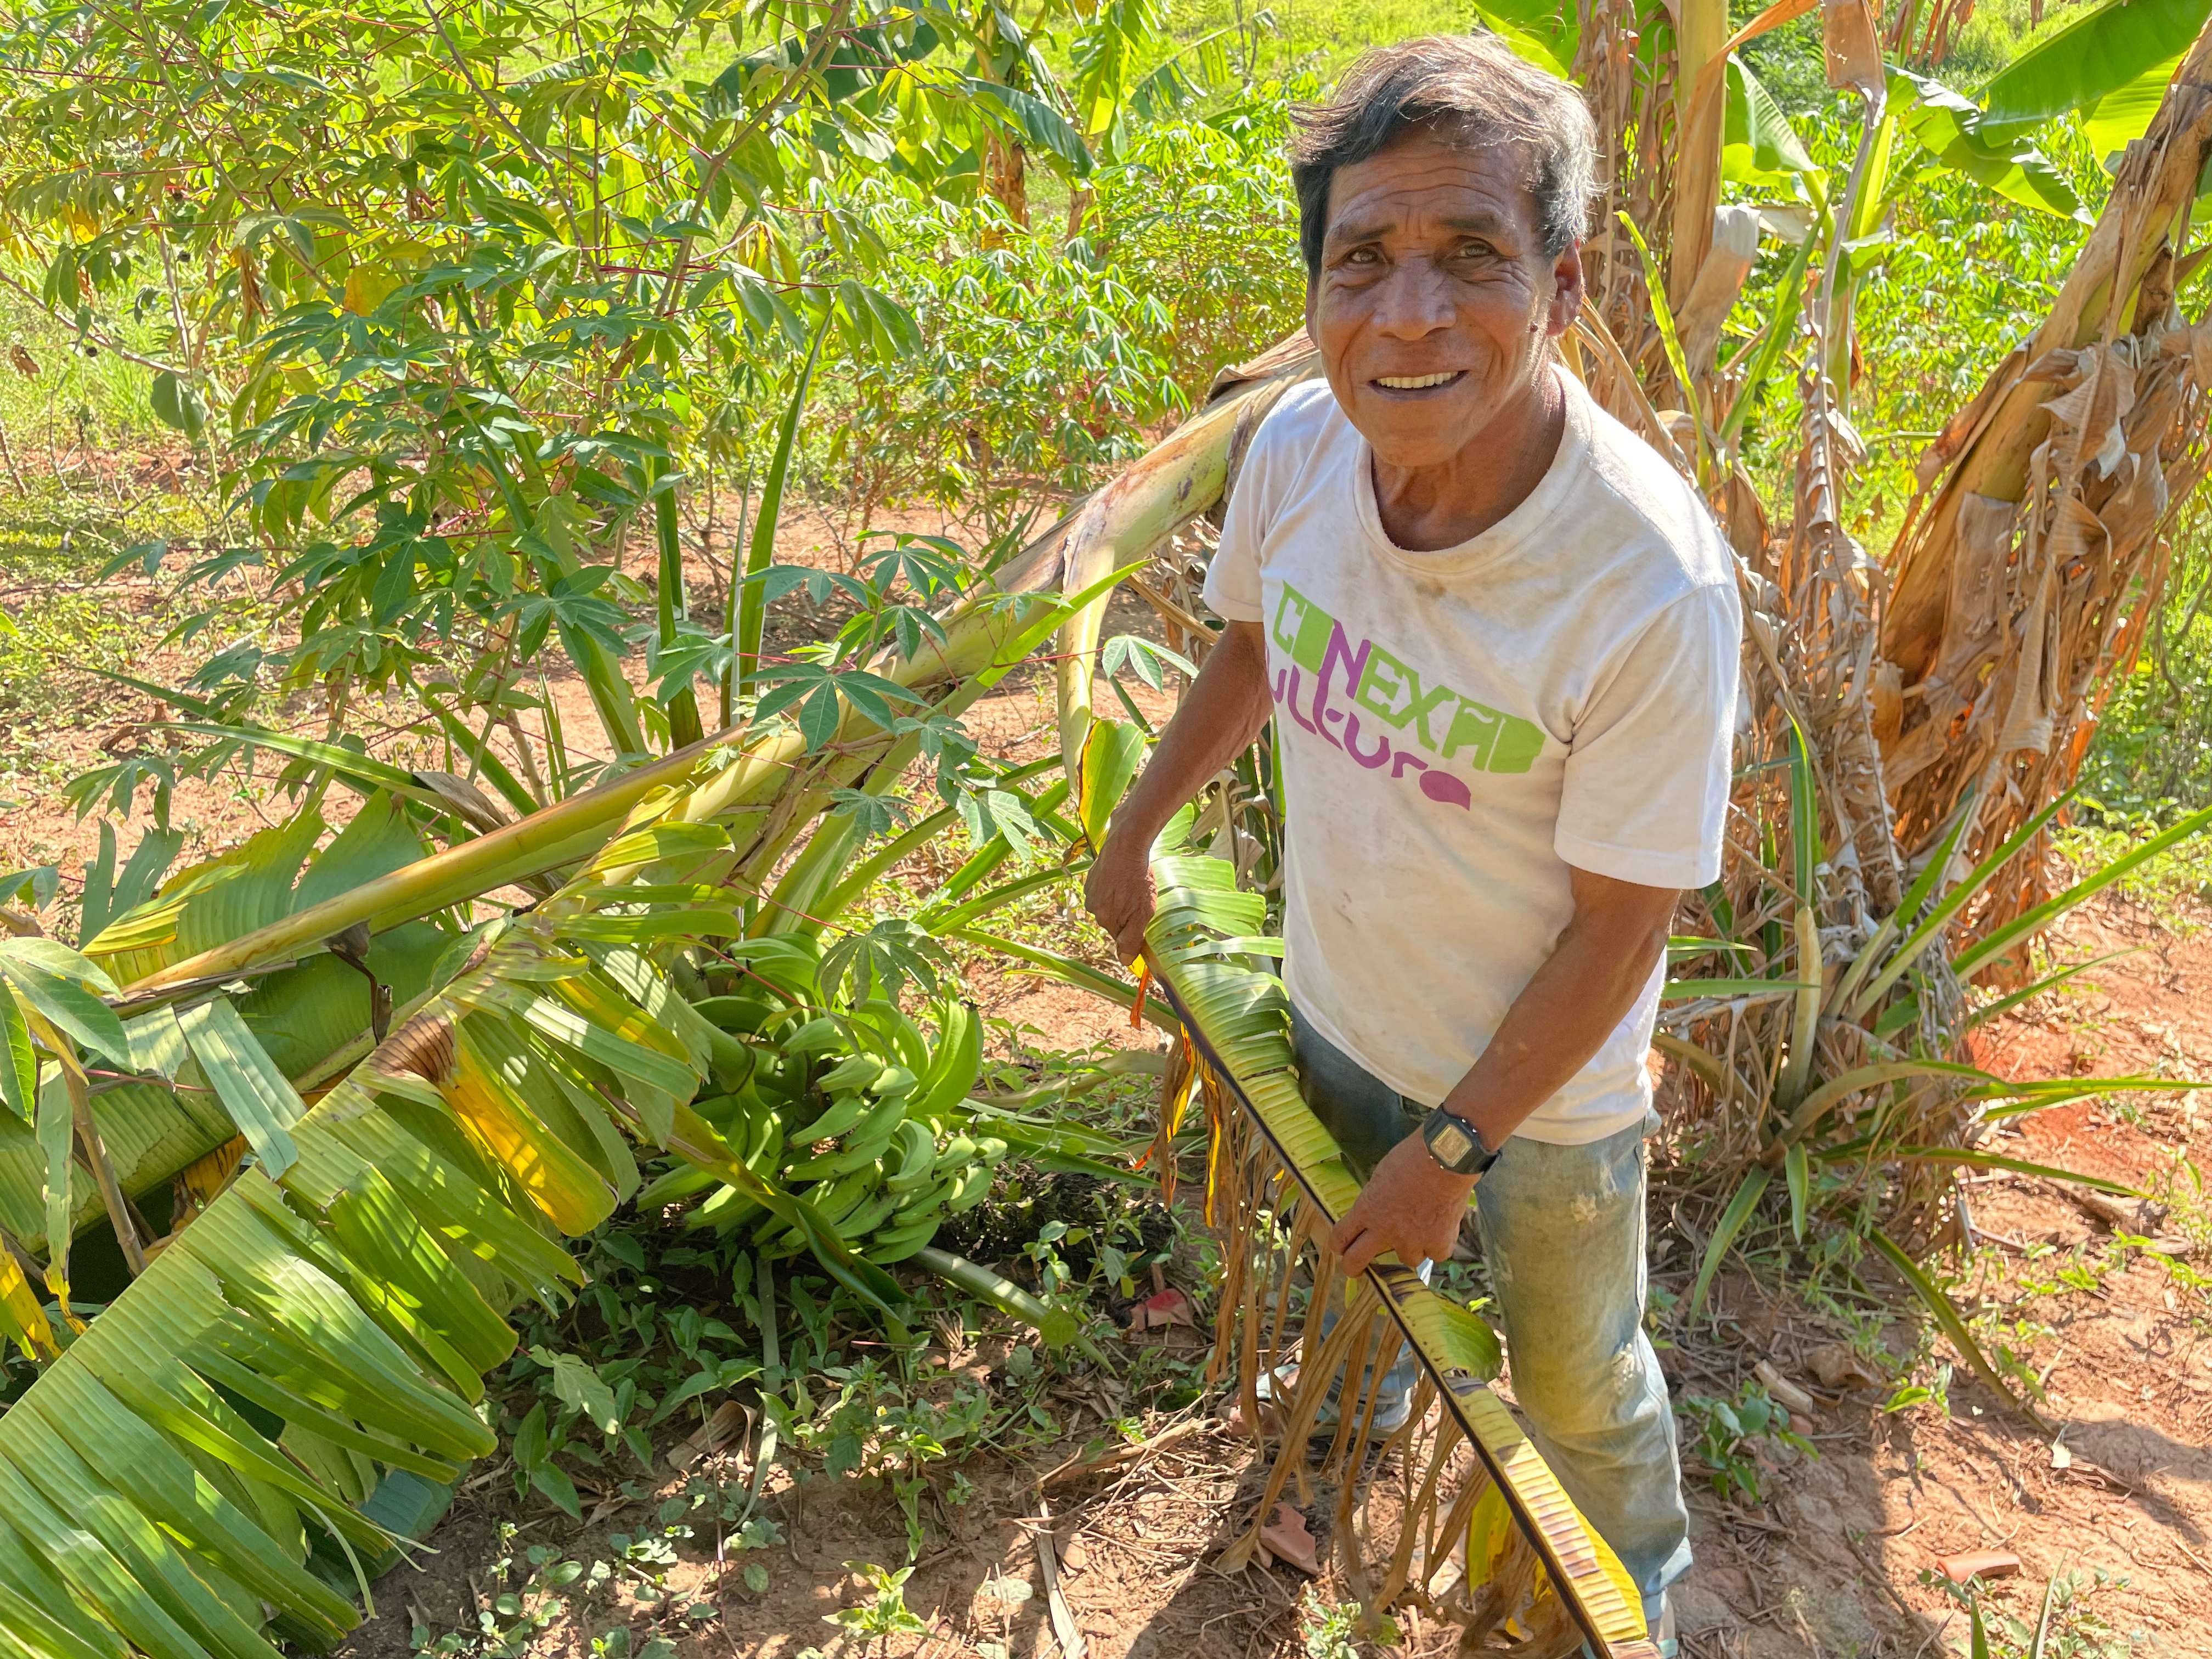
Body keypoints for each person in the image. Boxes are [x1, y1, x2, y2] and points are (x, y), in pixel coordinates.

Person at [1082, 32, 1741, 1641]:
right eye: (1362, 261)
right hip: (1335, 1001)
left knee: (1580, 1382)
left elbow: (1621, 930)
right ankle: (1362, 1432)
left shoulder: (1644, 583)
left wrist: (1456, 1151)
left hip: (1543, 1110)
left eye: (1471, 258)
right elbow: (1252, 644)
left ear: (1565, 288)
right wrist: (1137, 829)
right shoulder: (1298, 450)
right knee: (1357, 1274)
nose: (1411, 314)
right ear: (1314, 293)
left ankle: (1625, 1599)